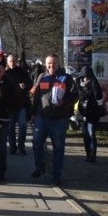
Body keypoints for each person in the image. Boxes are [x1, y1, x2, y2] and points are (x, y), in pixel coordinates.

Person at [30, 54, 79, 186]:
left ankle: (56, 176)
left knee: (58, 148)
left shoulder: (66, 78)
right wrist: (33, 113)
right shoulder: (41, 77)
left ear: (58, 63)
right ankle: (40, 167)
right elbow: (37, 97)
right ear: (46, 64)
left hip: (59, 119)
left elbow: (75, 95)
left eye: (54, 63)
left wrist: (64, 102)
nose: (51, 66)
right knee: (36, 143)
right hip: (42, 117)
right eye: (49, 63)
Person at [76, 65, 105, 162]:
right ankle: (88, 154)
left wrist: (94, 84)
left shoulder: (94, 84)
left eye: (87, 76)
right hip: (82, 112)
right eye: (84, 76)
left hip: (92, 112)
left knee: (91, 133)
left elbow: (98, 96)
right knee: (85, 135)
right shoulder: (79, 85)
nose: (86, 78)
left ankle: (93, 154)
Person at [4, 54, 32, 155]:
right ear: (7, 62)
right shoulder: (5, 73)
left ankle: (21, 146)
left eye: (14, 61)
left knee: (23, 125)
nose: (12, 63)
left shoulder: (22, 72)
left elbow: (30, 84)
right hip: (10, 105)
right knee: (10, 127)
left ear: (17, 61)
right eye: (10, 61)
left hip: (22, 104)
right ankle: (12, 146)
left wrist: (25, 86)